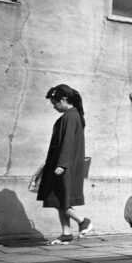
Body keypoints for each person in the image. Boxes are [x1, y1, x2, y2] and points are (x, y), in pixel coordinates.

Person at [37, 84, 92, 245]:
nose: (54, 107)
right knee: (60, 198)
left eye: (55, 103)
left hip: (63, 166)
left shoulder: (70, 116)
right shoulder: (72, 116)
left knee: (57, 198)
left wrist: (61, 164)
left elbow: (67, 142)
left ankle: (83, 221)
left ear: (64, 99)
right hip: (64, 164)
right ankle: (66, 233)